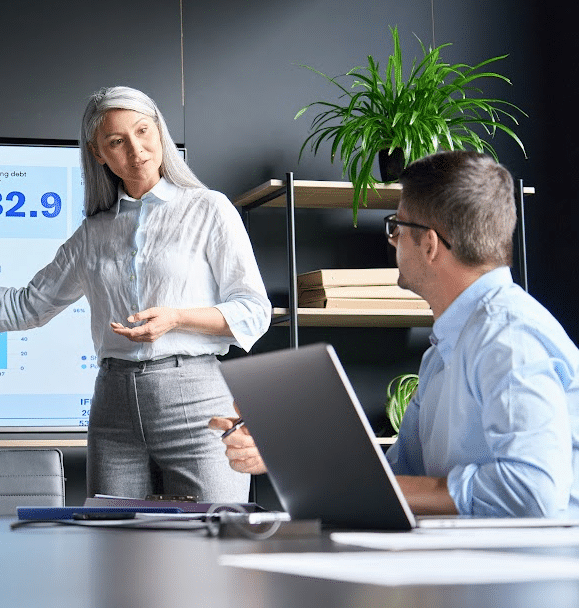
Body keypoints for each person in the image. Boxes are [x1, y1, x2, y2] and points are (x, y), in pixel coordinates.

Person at [0, 86, 271, 502]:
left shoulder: (209, 210)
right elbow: (26, 307)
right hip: (114, 409)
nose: (137, 149)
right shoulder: (93, 233)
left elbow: (254, 311)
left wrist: (177, 318)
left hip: (197, 402)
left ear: (159, 131)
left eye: (143, 131)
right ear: (98, 154)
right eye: (116, 142)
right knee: (114, 546)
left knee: (210, 544)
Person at [211, 150, 579, 518]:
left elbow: (532, 491)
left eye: (396, 227)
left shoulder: (507, 337)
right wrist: (285, 452)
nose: (392, 240)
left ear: (431, 244)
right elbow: (397, 477)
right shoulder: (444, 350)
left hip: (531, 565)